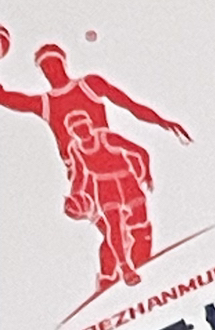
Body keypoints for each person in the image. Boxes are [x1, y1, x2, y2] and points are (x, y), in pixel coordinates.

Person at [0, 42, 187, 294]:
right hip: (85, 175)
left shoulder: (89, 85)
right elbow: (6, 98)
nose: (51, 70)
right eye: (45, 67)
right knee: (113, 229)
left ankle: (138, 275)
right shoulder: (45, 103)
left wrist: (162, 122)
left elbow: (130, 105)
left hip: (114, 163)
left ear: (63, 62)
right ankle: (112, 280)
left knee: (138, 227)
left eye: (54, 63)